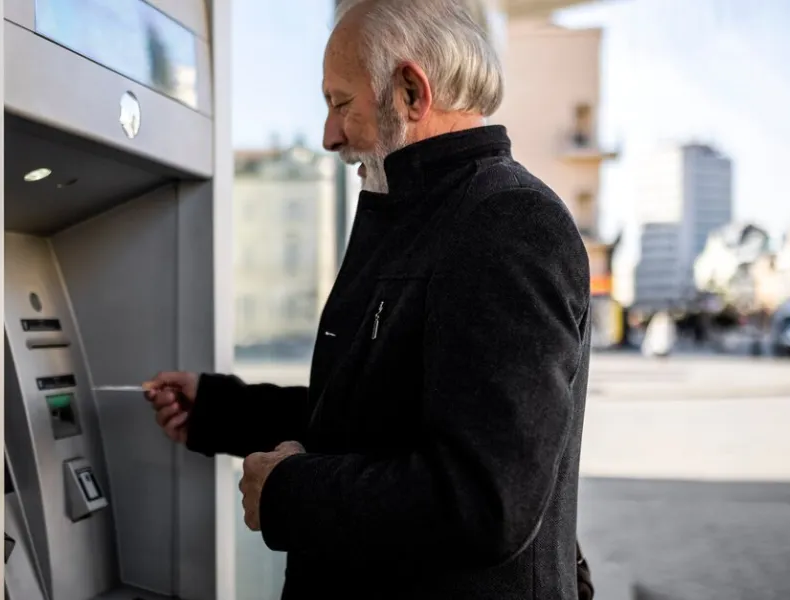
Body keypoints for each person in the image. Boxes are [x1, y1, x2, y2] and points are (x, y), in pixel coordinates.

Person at [144, 0, 592, 597]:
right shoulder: (429, 216)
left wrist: (288, 494)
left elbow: (485, 499)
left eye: (340, 103)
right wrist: (220, 410)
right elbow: (373, 415)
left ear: (411, 91)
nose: (330, 136)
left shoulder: (507, 222)